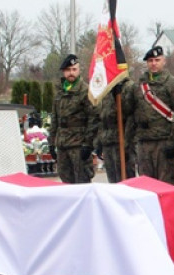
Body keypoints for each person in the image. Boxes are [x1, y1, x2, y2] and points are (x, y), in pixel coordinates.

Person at [128, 46, 174, 185]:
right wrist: (128, 142)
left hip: (164, 142)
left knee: (166, 184)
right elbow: (131, 115)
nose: (154, 63)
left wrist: (173, 142)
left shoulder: (172, 84)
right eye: (150, 61)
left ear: (164, 61)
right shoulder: (138, 86)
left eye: (157, 60)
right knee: (146, 185)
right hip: (143, 143)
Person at [49, 53, 97, 184]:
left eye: (74, 69)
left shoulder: (85, 90)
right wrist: (51, 143)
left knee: (82, 181)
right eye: (68, 70)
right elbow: (55, 119)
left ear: (79, 70)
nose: (71, 73)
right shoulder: (60, 91)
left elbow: (93, 119)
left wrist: (88, 144)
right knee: (66, 182)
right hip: (62, 144)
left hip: (78, 144)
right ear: (63, 72)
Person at [95, 80, 136, 183]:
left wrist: (127, 144)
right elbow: (102, 118)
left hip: (122, 141)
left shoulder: (129, 87)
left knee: (126, 181)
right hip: (107, 142)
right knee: (112, 182)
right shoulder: (105, 89)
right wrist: (98, 142)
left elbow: (130, 115)